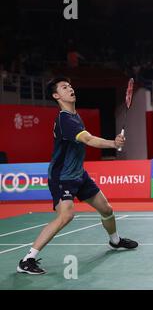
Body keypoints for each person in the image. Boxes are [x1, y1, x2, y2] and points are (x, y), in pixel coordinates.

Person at [17, 77, 138, 275]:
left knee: (106, 209)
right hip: (62, 177)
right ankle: (27, 260)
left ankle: (115, 241)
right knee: (66, 215)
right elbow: (88, 139)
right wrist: (113, 143)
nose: (70, 89)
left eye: (71, 86)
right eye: (64, 87)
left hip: (78, 174)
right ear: (56, 96)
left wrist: (111, 142)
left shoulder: (74, 116)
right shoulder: (65, 119)